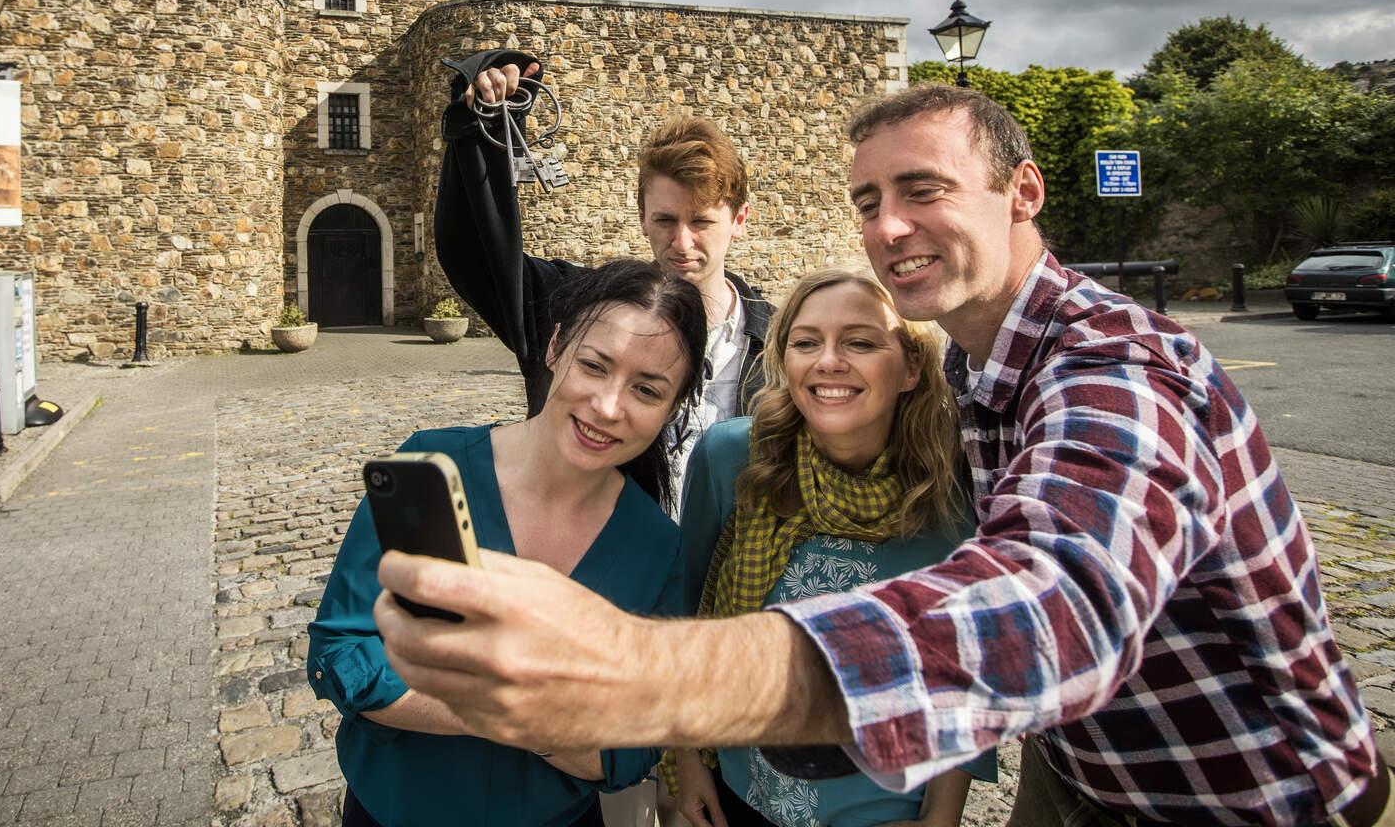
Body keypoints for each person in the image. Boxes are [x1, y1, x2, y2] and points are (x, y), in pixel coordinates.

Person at [372, 84, 1390, 827]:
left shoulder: (1116, 368)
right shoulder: (969, 373)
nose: (889, 226)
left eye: (922, 190)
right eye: (866, 201)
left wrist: (638, 672)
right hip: (1082, 768)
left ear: (1022, 191)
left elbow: (1052, 606)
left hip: (1245, 792)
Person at [307, 259, 706, 827]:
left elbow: (633, 745)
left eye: (647, 389)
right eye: (595, 365)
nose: (609, 407)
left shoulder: (656, 546)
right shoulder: (430, 468)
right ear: (554, 347)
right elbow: (344, 653)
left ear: (672, 407)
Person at [667, 268, 992, 827]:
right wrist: (687, 760)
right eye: (806, 342)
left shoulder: (955, 495)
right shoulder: (731, 460)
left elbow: (963, 682)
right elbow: (684, 617)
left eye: (860, 342)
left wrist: (942, 818)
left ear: (912, 366)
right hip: (743, 795)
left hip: (884, 807)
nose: (828, 362)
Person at [434, 49, 772, 513]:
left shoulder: (782, 342)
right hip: (607, 565)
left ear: (739, 220)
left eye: (702, 221)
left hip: (733, 576)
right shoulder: (578, 308)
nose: (682, 241)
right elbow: (472, 254)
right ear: (641, 218)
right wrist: (483, 129)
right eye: (666, 219)